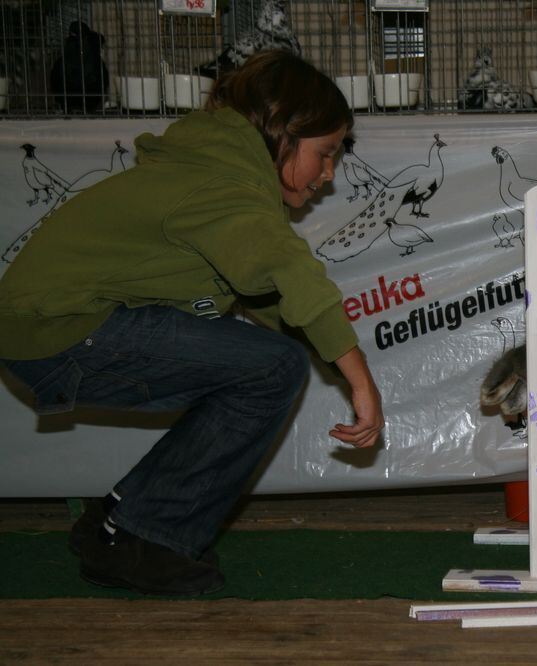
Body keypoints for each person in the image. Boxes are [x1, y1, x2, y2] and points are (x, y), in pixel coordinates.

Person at [0, 51, 384, 595]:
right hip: (59, 326)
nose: (328, 175)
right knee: (272, 369)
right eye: (324, 154)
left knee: (267, 363)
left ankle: (119, 522)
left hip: (55, 326)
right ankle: (140, 536)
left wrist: (325, 348)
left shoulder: (216, 171)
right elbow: (286, 269)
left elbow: (271, 295)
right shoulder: (219, 184)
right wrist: (358, 377)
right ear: (281, 131)